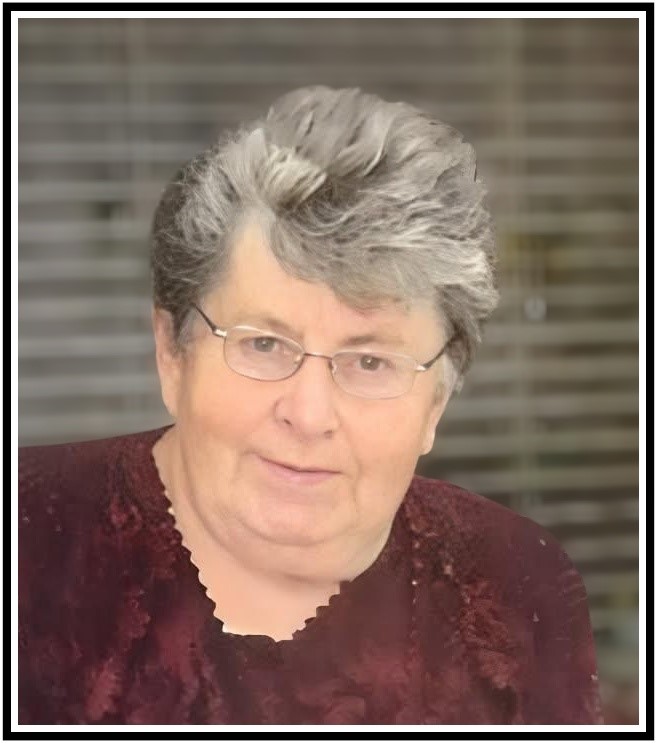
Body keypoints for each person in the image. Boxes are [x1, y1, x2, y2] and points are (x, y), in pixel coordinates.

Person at [18, 86, 603, 725]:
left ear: (437, 398)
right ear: (171, 354)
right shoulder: (25, 542)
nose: (309, 414)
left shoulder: (515, 586)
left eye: (370, 361)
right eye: (264, 344)